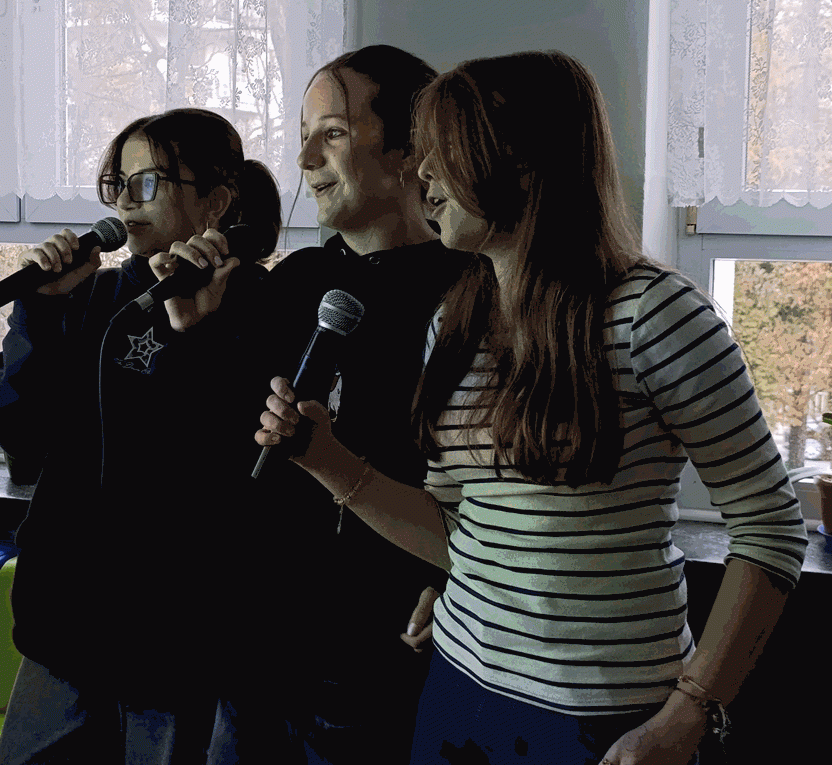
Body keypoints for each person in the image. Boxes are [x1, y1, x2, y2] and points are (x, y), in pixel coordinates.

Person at [255, 51, 808, 765]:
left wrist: (688, 714)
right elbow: (459, 529)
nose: (425, 174)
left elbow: (769, 529)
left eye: (446, 153)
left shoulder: (655, 314)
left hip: (602, 717)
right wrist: (327, 461)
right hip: (455, 693)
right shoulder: (454, 321)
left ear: (520, 162)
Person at [159, 44, 478, 764]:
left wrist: (450, 582)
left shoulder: (471, 292)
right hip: (257, 645)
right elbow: (220, 446)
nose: (304, 159)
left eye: (332, 133)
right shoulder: (294, 280)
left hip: (381, 656)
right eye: (304, 135)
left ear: (410, 150)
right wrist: (195, 337)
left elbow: (492, 485)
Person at [0, 108, 287, 764]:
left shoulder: (261, 307)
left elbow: (243, 467)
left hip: (176, 637)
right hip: (66, 628)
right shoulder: (89, 296)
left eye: (148, 183)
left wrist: (198, 338)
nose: (125, 201)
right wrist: (41, 309)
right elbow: (23, 436)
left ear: (215, 201)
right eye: (117, 183)